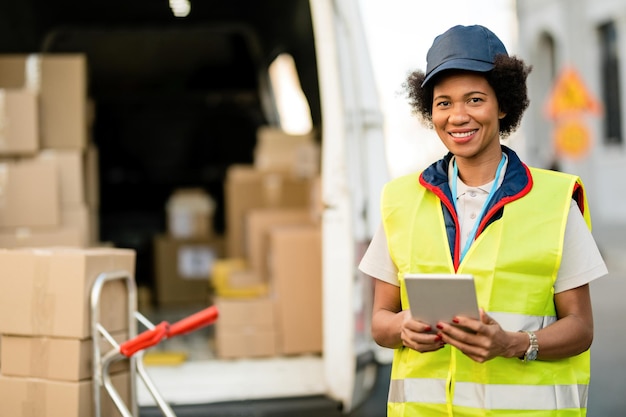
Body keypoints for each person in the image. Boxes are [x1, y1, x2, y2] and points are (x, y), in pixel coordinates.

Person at [358, 24, 608, 417]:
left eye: (474, 99)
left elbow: (580, 327)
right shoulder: (400, 201)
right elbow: (380, 321)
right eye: (443, 103)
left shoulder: (556, 201)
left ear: (502, 105)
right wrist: (403, 327)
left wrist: (513, 343)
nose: (457, 116)